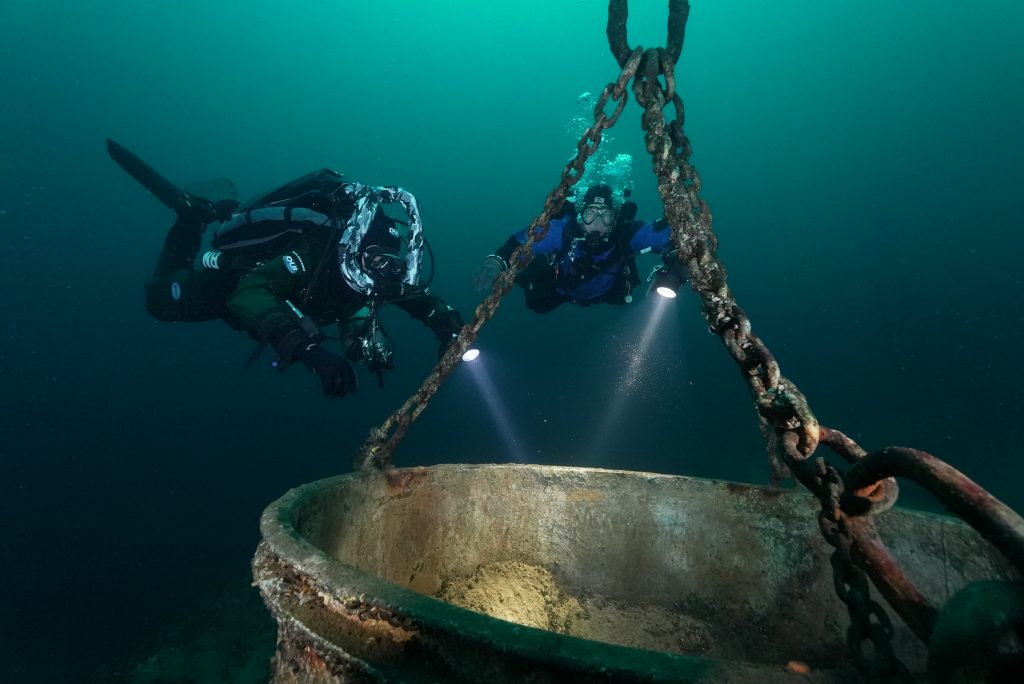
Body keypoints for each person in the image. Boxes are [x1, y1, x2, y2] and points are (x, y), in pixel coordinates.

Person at [109, 139, 466, 398]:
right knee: (158, 302)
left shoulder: (379, 273)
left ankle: (214, 212)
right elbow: (249, 292)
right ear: (355, 246)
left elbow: (414, 295)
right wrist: (307, 352)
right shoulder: (316, 251)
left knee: (362, 309)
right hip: (230, 286)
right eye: (374, 258)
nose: (382, 269)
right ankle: (190, 218)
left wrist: (446, 326)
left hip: (304, 303)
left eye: (391, 262)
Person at [476, 184, 675, 313]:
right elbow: (523, 242)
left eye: (605, 216)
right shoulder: (565, 230)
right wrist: (497, 261)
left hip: (607, 292)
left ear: (614, 220)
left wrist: (676, 258)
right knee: (536, 303)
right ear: (580, 216)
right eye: (590, 214)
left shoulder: (625, 233)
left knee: (623, 297)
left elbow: (665, 234)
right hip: (560, 288)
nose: (597, 223)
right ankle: (541, 264)